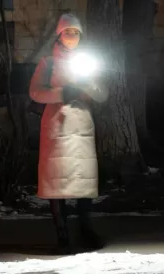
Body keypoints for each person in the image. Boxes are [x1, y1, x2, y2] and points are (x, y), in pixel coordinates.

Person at [29, 13, 108, 253]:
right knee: (57, 181)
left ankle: (86, 229)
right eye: (67, 32)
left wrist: (86, 85)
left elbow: (103, 94)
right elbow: (35, 92)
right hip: (57, 126)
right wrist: (62, 94)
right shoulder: (48, 63)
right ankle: (62, 233)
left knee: (83, 179)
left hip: (82, 127)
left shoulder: (89, 61)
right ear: (59, 34)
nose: (71, 36)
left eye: (76, 33)